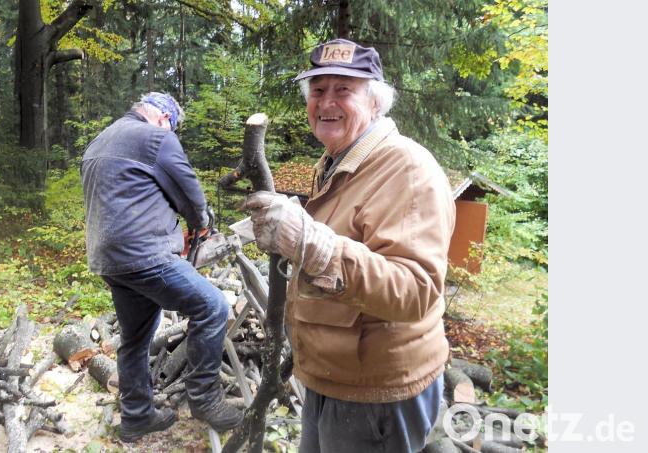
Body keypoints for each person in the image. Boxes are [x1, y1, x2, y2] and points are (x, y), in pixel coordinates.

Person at [244, 39, 456, 452]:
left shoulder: (407, 170)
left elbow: (415, 290)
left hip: (378, 389)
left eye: (344, 90)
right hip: (334, 371)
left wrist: (312, 244)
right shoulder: (337, 160)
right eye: (318, 90)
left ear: (375, 102)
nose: (327, 102)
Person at [81, 92, 243, 442]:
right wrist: (201, 222)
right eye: (174, 127)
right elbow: (189, 192)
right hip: (144, 255)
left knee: (135, 338)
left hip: (109, 260)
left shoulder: (100, 140)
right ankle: (205, 399)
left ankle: (137, 416)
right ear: (165, 118)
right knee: (212, 307)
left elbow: (128, 195)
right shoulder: (157, 137)